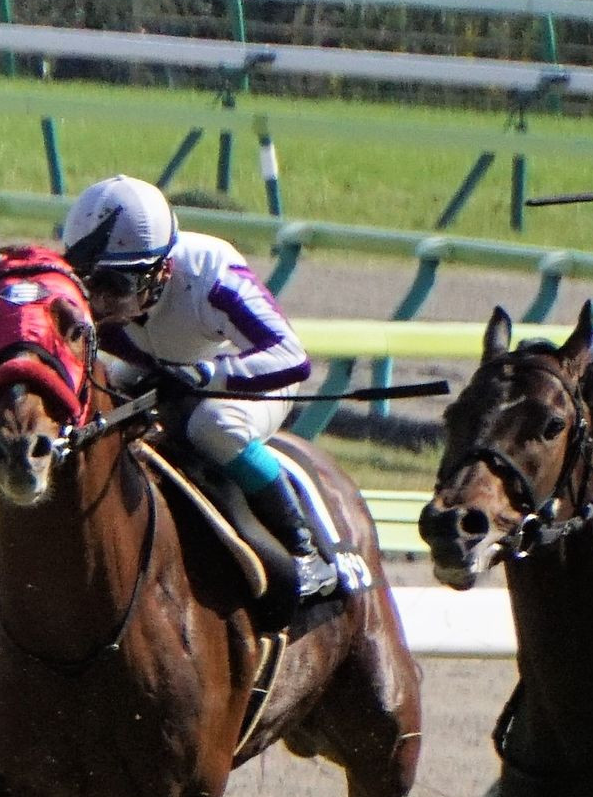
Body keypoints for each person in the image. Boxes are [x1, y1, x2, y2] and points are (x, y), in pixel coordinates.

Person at [59, 173, 368, 604]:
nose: (98, 301)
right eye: (88, 280)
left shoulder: (212, 276)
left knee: (213, 424)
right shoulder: (81, 290)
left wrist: (207, 376)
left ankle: (305, 549)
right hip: (154, 368)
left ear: (163, 270)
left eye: (117, 285)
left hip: (247, 380)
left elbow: (290, 357)